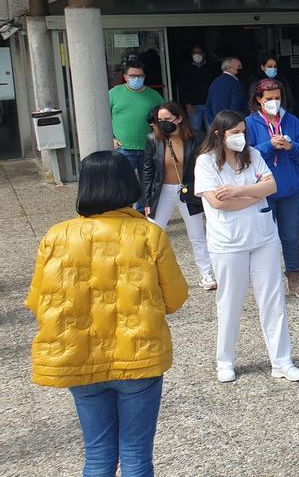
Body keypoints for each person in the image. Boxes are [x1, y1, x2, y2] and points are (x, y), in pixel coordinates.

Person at [27, 150, 188, 477]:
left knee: (98, 455)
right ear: (127, 185)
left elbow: (37, 302)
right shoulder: (149, 234)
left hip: (80, 359)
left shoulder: (56, 236)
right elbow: (175, 298)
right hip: (139, 358)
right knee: (136, 455)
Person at [193, 111, 299, 383]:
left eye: (242, 131)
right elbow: (218, 203)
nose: (240, 138)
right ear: (220, 134)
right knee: (230, 302)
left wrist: (236, 191)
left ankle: (282, 361)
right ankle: (225, 361)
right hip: (228, 242)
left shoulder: (253, 154)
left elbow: (271, 186)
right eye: (235, 133)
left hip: (263, 237)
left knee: (273, 300)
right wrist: (251, 194)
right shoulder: (205, 162)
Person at [245, 78, 299, 299]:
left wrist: (290, 146)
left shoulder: (292, 122)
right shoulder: (249, 124)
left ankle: (295, 278)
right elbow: (244, 155)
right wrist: (268, 146)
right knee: (265, 238)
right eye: (269, 99)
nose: (274, 102)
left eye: (277, 98)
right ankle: (267, 282)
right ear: (259, 100)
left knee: (291, 236)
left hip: (290, 189)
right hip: (262, 191)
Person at [142, 102, 215, 291]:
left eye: (167, 119)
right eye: (159, 120)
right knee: (154, 236)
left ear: (179, 118)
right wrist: (147, 200)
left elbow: (206, 165)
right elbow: (147, 171)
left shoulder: (196, 137)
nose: (163, 123)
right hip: (162, 191)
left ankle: (206, 274)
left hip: (188, 190)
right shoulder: (153, 139)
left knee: (197, 235)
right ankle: (150, 276)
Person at [109, 60, 165, 211]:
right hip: (123, 148)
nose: (136, 79)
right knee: (123, 182)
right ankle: (125, 211)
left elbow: (163, 118)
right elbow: (103, 117)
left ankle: (142, 211)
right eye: (133, 75)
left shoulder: (154, 96)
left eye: (140, 76)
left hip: (148, 147)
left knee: (147, 183)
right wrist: (111, 138)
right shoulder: (114, 93)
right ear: (125, 77)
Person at [179, 44, 217, 132]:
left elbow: (215, 86)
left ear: (203, 54)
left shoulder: (211, 68)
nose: (197, 55)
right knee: (194, 130)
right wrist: (187, 104)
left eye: (199, 52)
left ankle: (210, 146)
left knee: (212, 130)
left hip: (209, 105)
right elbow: (182, 87)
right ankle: (196, 146)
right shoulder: (186, 69)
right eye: (195, 53)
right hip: (193, 106)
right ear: (191, 54)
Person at [204, 57, 246, 124]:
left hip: (217, 122)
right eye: (239, 66)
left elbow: (208, 105)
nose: (241, 68)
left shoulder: (215, 81)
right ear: (229, 68)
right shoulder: (235, 84)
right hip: (232, 123)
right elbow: (235, 107)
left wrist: (212, 122)